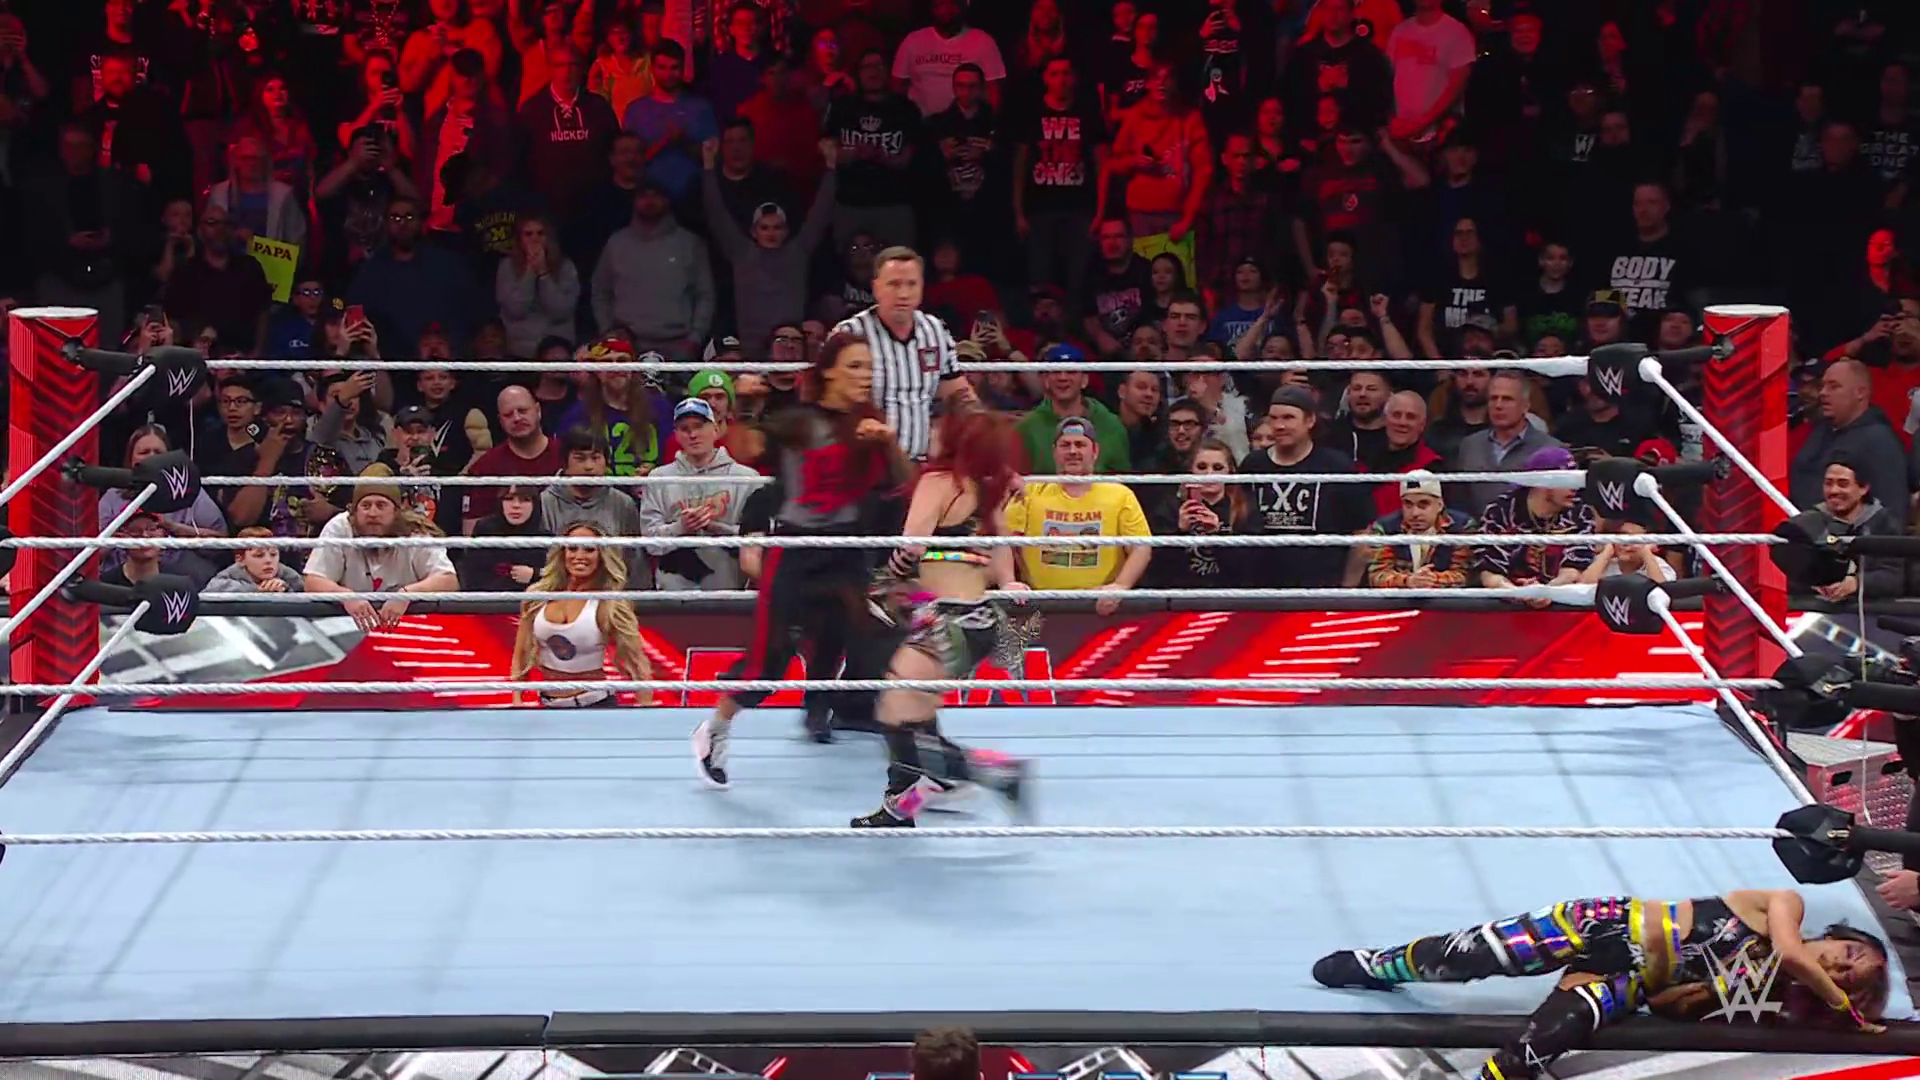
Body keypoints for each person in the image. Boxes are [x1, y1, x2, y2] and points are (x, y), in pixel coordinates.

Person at [1313, 890, 1891, 1080]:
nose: (1838, 971)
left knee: (1538, 1046)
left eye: (1847, 977)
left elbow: (1667, 1004)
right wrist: (1843, 1001)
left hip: (1625, 978)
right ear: (1833, 936)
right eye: (1847, 957)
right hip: (1603, 924)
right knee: (1463, 957)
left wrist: (1715, 993)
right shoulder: (1784, 909)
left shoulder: (1759, 988)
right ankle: (1376, 964)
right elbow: (1792, 952)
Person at [692, 329, 914, 789]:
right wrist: (746, 406)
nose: (865, 376)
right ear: (829, 371)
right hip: (796, 552)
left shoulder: (868, 423)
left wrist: (889, 442)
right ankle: (716, 726)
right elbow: (745, 449)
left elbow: (902, 485)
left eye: (869, 367)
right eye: (855, 366)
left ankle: (884, 737)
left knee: (875, 634)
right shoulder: (800, 421)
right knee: (768, 665)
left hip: (847, 555)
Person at [853, 406, 1033, 828]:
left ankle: (995, 774)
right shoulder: (986, 491)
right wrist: (1009, 581)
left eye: (937, 428)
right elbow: (999, 544)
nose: (930, 434)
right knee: (913, 716)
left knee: (894, 715)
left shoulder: (939, 483)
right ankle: (901, 806)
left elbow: (912, 547)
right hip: (976, 620)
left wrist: (881, 583)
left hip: (947, 621)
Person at [511, 523, 654, 708]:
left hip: (595, 705)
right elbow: (521, 655)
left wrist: (645, 711)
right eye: (572, 548)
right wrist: (517, 700)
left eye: (589, 549)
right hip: (549, 705)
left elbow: (637, 664)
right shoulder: (537, 597)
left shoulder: (609, 603)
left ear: (601, 555)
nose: (579, 556)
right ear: (562, 553)